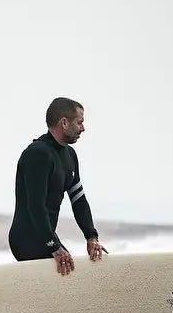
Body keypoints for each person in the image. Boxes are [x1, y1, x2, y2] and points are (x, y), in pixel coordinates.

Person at [8, 97, 107, 275]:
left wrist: (91, 236)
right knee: (69, 271)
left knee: (70, 270)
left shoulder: (69, 155)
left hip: (46, 237)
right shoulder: (38, 154)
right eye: (80, 122)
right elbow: (36, 206)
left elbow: (79, 200)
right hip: (27, 240)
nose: (83, 128)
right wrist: (55, 246)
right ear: (64, 123)